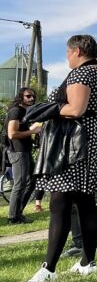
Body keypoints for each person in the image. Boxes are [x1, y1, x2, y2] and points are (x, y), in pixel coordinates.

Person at [24, 35, 97, 282]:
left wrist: (50, 108)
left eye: (67, 53)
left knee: (60, 203)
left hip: (75, 145)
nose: (66, 57)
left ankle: (48, 269)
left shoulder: (80, 75)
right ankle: (88, 262)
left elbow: (76, 109)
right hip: (92, 140)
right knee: (85, 201)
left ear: (77, 51)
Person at [5, 87, 42, 224]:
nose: (31, 98)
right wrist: (33, 131)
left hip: (24, 150)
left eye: (32, 96)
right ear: (21, 96)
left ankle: (17, 212)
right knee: (20, 184)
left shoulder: (24, 111)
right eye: (28, 96)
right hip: (17, 151)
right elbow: (12, 134)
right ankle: (13, 217)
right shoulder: (16, 111)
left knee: (32, 181)